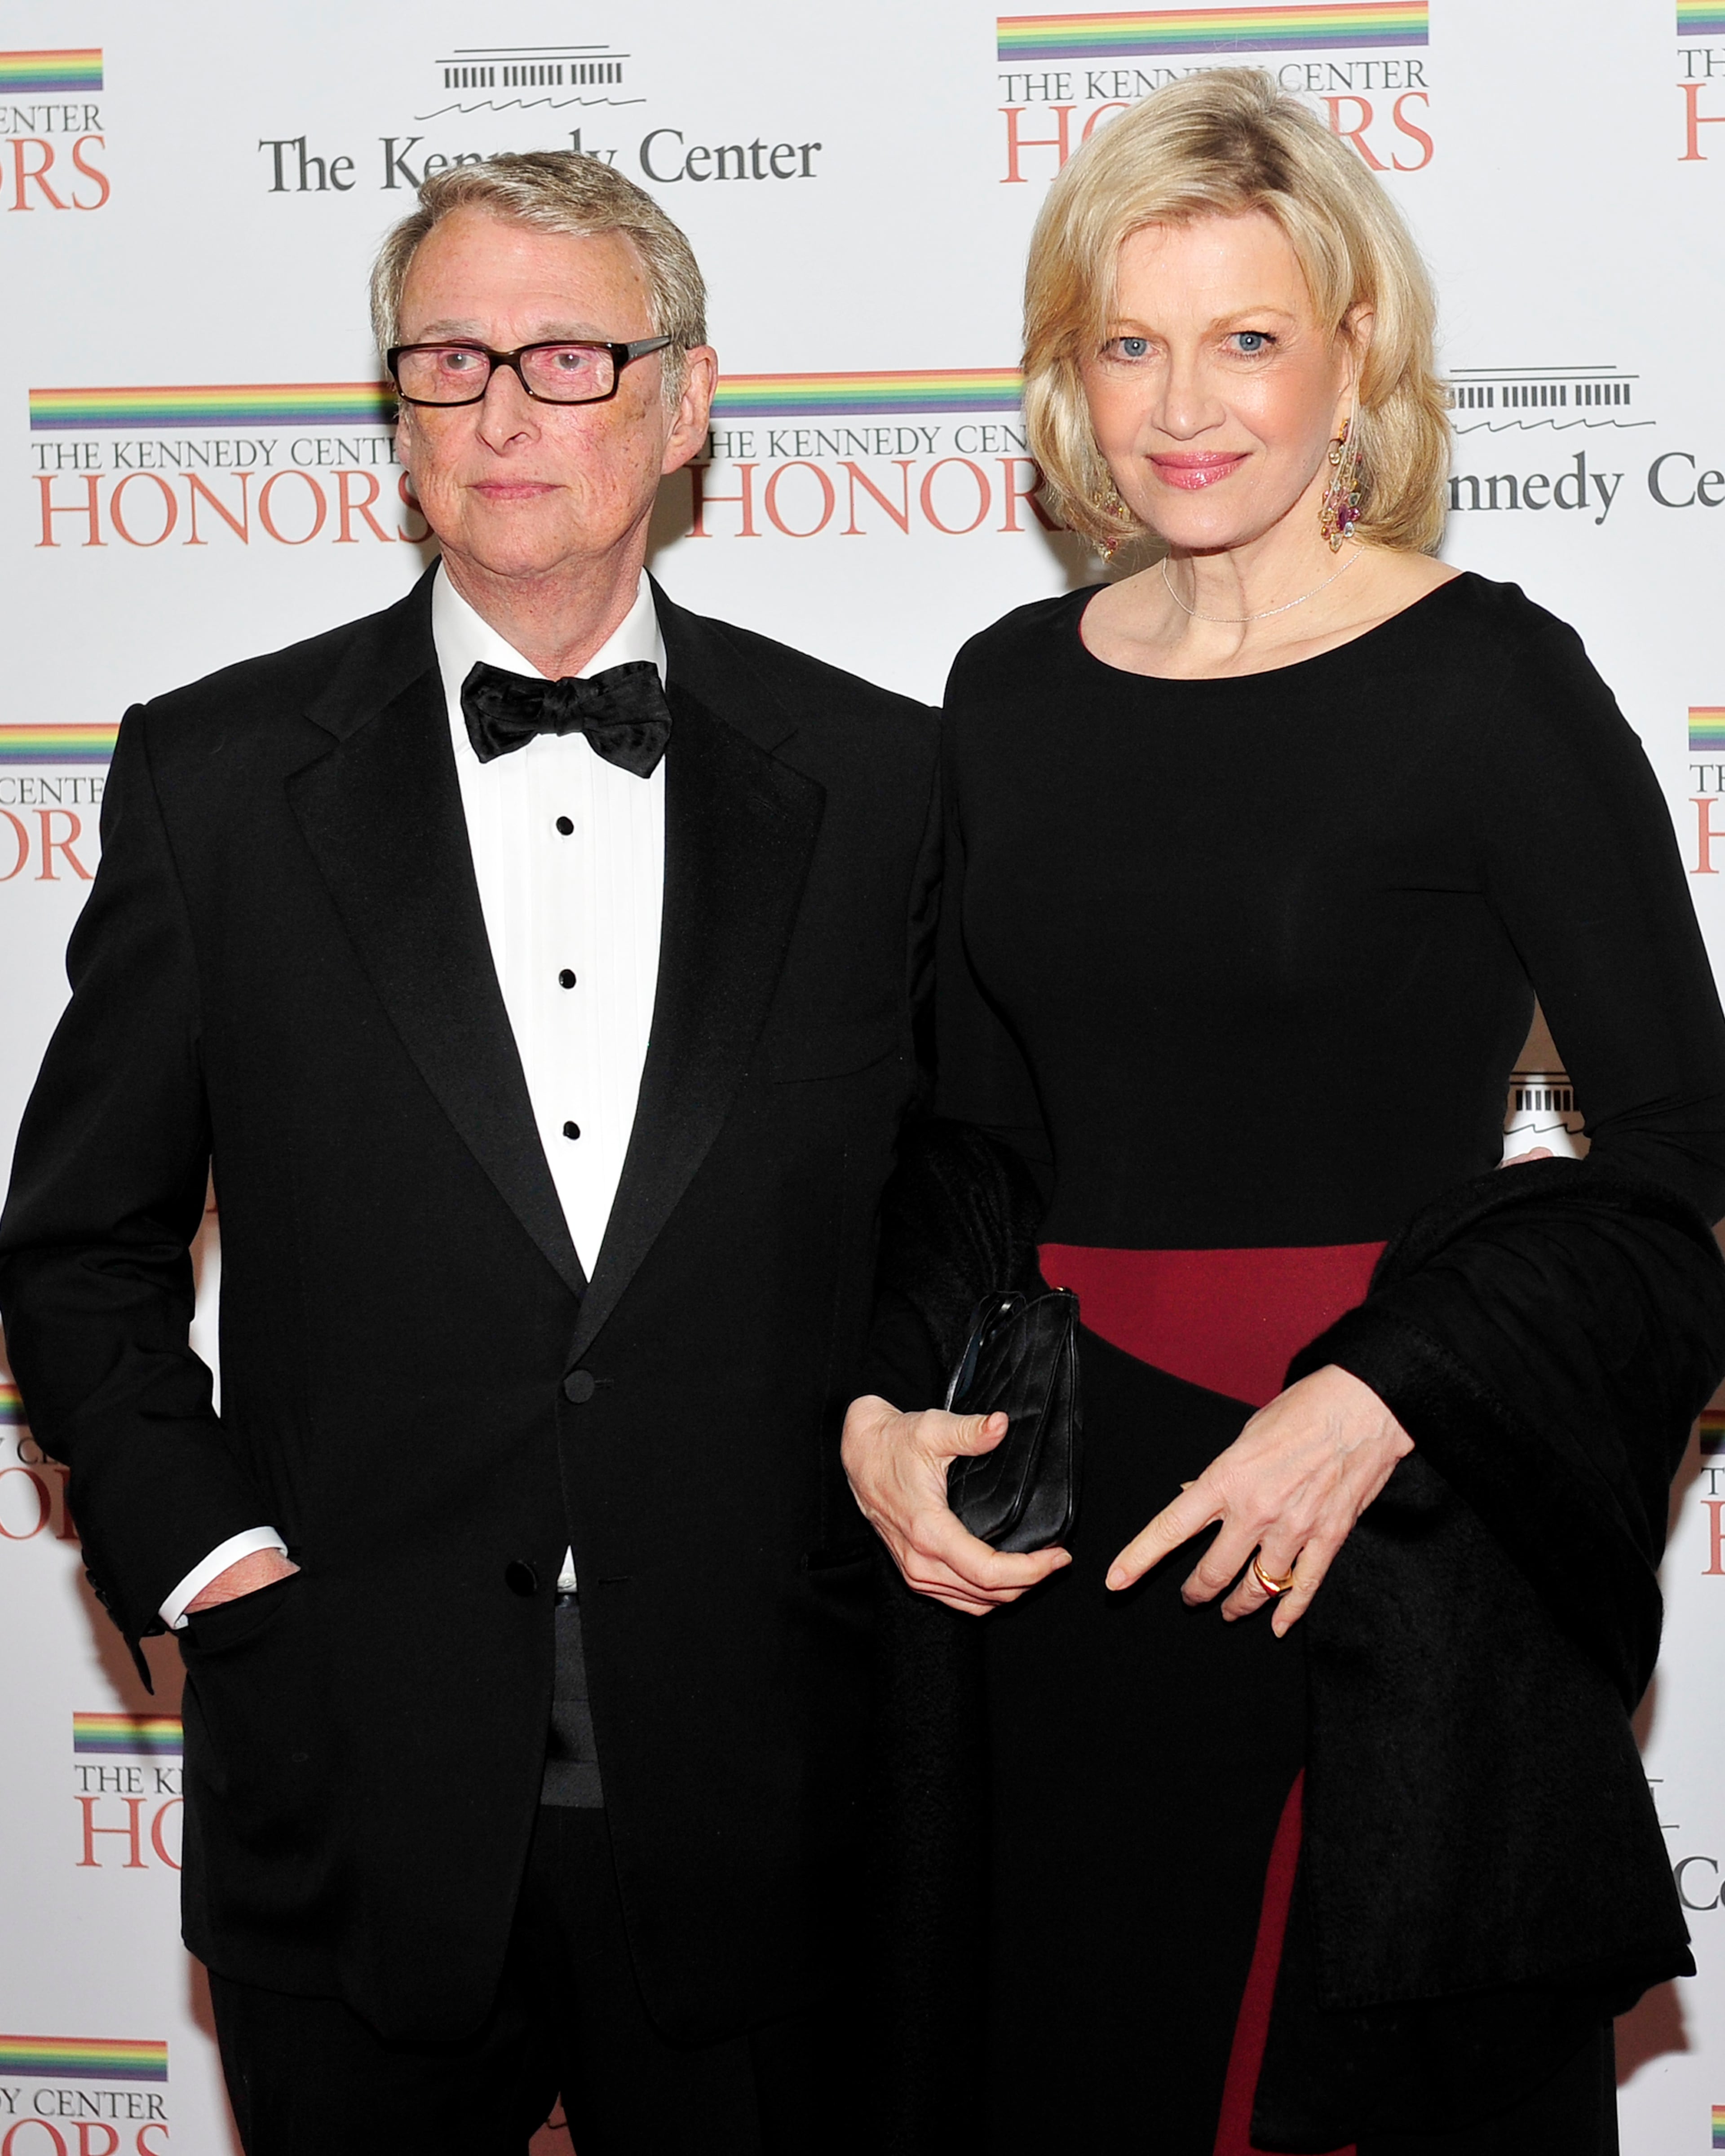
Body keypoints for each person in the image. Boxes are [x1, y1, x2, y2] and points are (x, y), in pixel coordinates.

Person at [0, 151, 936, 2156]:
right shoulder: (221, 777)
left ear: (688, 405)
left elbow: (960, 1199)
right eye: (450, 359)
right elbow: (78, 1241)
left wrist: (901, 1423)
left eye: (571, 355)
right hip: (349, 1770)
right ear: (396, 416)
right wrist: (219, 1569)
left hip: (772, 1777)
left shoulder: (880, 779)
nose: (505, 409)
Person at [843, 71, 1725, 2156]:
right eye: (1130, 340)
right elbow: (968, 1146)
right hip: (1077, 1549)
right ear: (1069, 372)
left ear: (1357, 358)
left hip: (1395, 1512)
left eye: (1248, 336)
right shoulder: (1009, 690)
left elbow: (1687, 1158)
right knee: (1081, 2065)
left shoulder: (1493, 686)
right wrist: (880, 1406)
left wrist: (1393, 1390)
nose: (1186, 401)